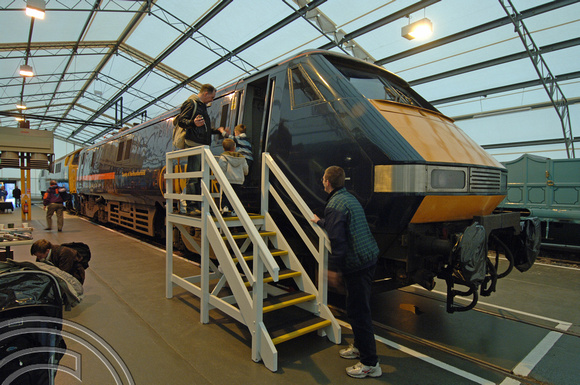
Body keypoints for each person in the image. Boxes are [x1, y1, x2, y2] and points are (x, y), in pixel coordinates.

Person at [311, 166, 381, 379]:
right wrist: (321, 221)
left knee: (359, 313)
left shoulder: (333, 205)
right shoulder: (347, 198)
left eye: (323, 178)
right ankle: (360, 347)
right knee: (356, 308)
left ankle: (370, 364)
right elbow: (340, 226)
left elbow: (338, 241)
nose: (322, 181)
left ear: (327, 182)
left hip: (357, 264)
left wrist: (332, 270)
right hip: (368, 258)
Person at [176, 84, 222, 214]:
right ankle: (191, 206)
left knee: (200, 176)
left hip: (202, 145)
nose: (212, 100)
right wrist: (192, 123)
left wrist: (217, 131)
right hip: (194, 145)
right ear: (206, 93)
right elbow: (181, 121)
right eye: (212, 97)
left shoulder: (202, 106)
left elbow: (203, 128)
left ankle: (198, 205)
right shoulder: (191, 103)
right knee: (193, 176)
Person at [218, 138, 248, 215]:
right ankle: (235, 210)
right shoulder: (241, 158)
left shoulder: (223, 157)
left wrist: (219, 176)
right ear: (234, 148)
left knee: (226, 194)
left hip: (228, 179)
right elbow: (246, 170)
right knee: (237, 196)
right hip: (239, 180)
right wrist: (245, 173)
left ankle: (225, 207)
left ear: (224, 148)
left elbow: (222, 167)